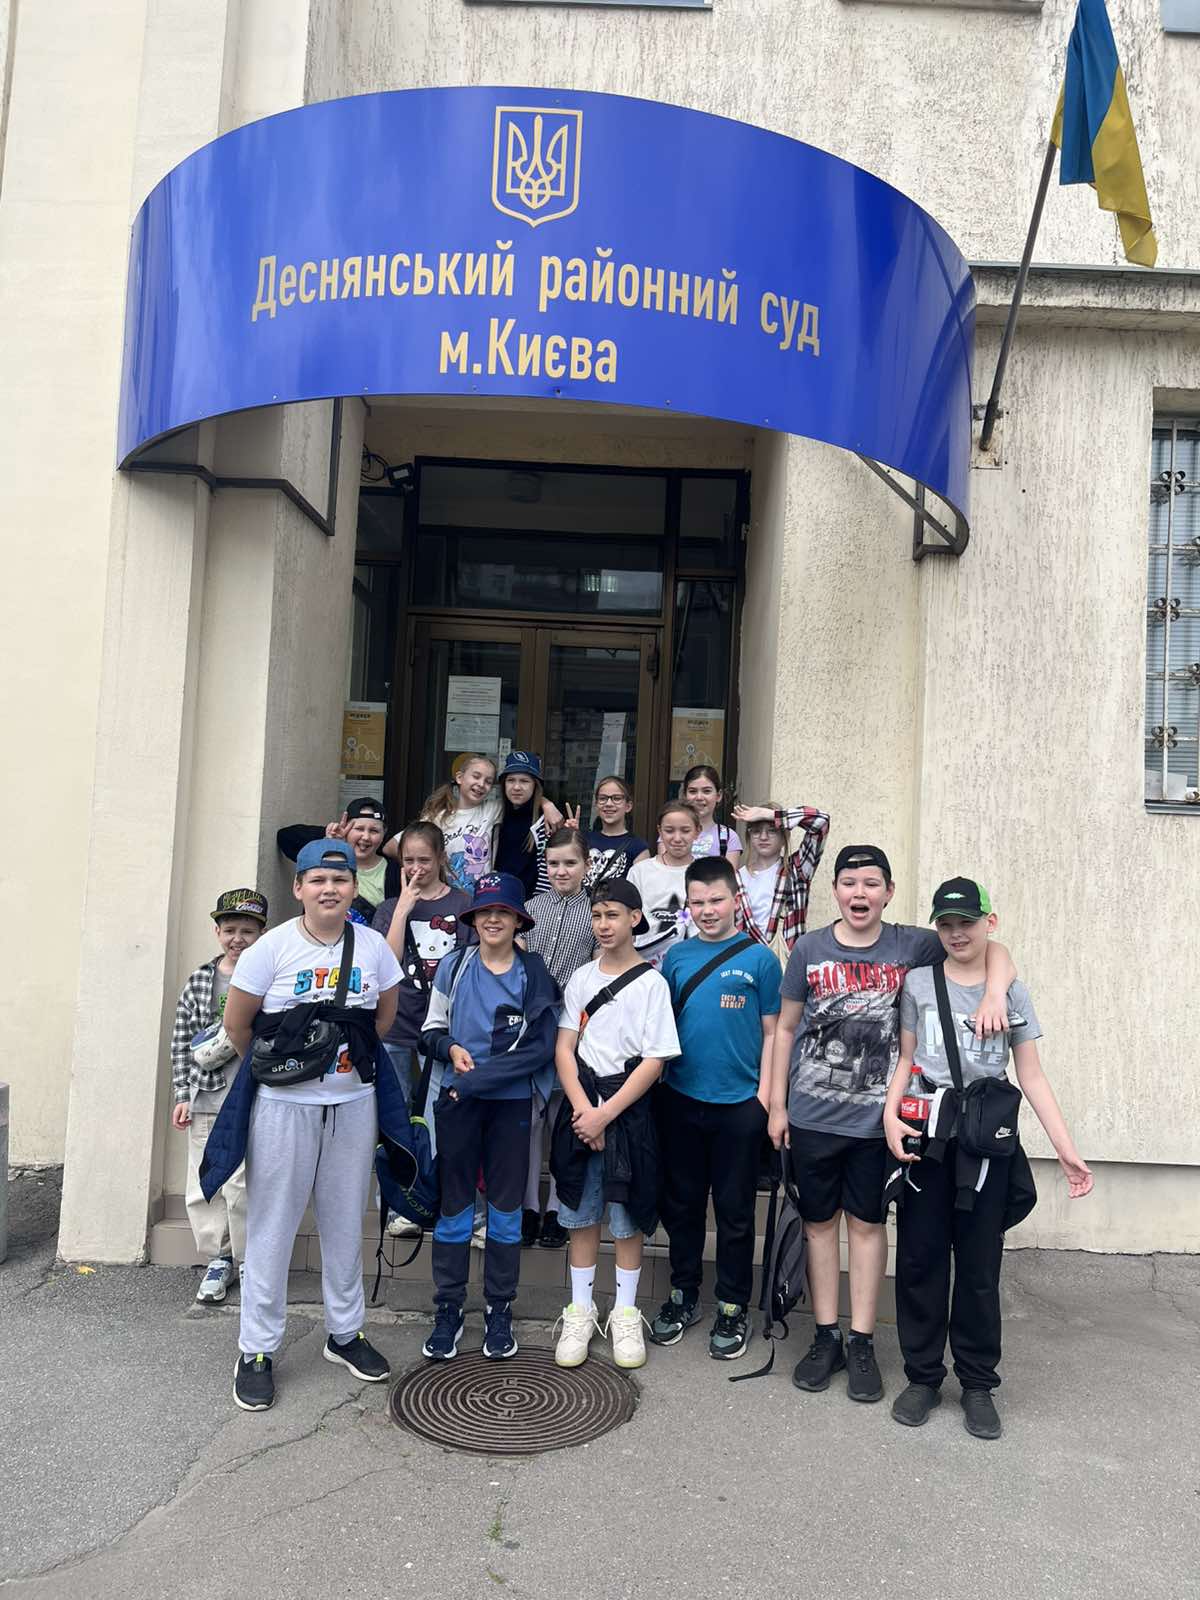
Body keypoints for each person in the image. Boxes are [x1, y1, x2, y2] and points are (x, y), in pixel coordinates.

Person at [768, 844, 1017, 1406]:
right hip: (812, 1116)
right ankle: (826, 1336)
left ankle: (861, 1341)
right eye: (849, 883)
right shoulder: (809, 948)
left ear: (889, 892)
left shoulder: (914, 944)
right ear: (835, 890)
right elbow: (784, 1029)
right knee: (818, 1226)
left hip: (879, 1124)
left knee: (867, 1226)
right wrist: (778, 1106)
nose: (860, 893)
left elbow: (989, 946)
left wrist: (996, 990)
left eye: (871, 883)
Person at [200, 839, 405, 1413]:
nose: (329, 889)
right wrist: (288, 1070)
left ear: (353, 887)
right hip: (283, 1108)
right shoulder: (271, 948)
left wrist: (339, 1068)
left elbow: (383, 1019)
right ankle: (256, 1348)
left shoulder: (372, 947)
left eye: (339, 880)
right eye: (317, 880)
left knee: (344, 1222)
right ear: (299, 888)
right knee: (272, 1226)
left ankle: (345, 1332)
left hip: (353, 1103)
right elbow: (239, 1026)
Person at [883, 877, 1093, 1439]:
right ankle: (923, 1377)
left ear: (988, 923)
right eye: (947, 924)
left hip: (985, 1144)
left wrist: (1067, 1151)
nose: (957, 934)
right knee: (921, 1262)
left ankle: (977, 1383)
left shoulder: (1011, 992)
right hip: (927, 1136)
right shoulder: (919, 983)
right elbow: (906, 1059)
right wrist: (889, 1116)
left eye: (968, 923)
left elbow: (1031, 1075)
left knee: (979, 1267)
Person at [420, 872, 560, 1362]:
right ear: (474, 918)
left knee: (504, 1211)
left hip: (509, 1105)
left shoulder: (533, 972)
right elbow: (430, 1031)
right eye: (485, 911)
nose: (493, 919)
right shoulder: (454, 966)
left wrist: (474, 1081)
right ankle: (448, 1307)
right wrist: (450, 1048)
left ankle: (500, 1308)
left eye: (503, 911)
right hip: (458, 1103)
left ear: (519, 920)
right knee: (454, 1209)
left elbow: (540, 1048)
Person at [650, 857, 782, 1360]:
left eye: (716, 900)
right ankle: (683, 1293)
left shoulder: (761, 959)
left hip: (740, 1106)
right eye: (698, 902)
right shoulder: (677, 957)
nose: (707, 910)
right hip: (681, 1100)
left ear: (734, 900)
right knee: (682, 1206)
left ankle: (732, 1304)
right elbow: (661, 1027)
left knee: (735, 1211)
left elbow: (774, 1033)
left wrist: (765, 1100)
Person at [551, 879, 680, 1371]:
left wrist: (606, 1114)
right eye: (597, 915)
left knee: (628, 1219)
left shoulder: (651, 984)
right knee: (582, 1216)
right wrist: (586, 1111)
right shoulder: (581, 978)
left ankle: (626, 1313)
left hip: (629, 1112)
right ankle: (580, 1310)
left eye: (613, 915)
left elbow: (654, 1060)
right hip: (581, 1108)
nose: (603, 925)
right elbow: (565, 1048)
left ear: (634, 918)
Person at [373, 821, 473, 1239]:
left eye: (424, 860)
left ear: (441, 859)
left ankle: (436, 1196)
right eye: (409, 861)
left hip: (443, 1029)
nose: (416, 868)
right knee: (394, 1114)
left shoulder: (463, 903)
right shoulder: (388, 908)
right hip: (397, 1025)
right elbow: (386, 964)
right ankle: (401, 1201)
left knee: (439, 1115)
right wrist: (402, 909)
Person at [169, 887, 268, 1305]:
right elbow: (181, 1040)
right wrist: (182, 1093)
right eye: (230, 930)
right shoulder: (200, 981)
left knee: (244, 1183)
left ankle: (248, 1259)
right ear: (217, 932)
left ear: (261, 934)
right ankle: (218, 1258)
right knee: (205, 1180)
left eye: (247, 931)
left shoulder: (269, 979)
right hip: (206, 1095)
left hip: (251, 1096)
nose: (237, 939)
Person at [520, 826, 596, 1248]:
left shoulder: (596, 912)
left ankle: (557, 1209)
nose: (561, 870)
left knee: (561, 1119)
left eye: (570, 863)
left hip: (574, 1026)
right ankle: (528, 1206)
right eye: (554, 863)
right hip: (532, 1024)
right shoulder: (530, 909)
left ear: (586, 865)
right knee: (531, 1118)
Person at [731, 800, 831, 956]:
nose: (763, 837)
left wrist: (772, 815)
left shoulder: (797, 869)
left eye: (772, 831)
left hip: (786, 960)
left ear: (784, 837)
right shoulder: (736, 878)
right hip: (747, 959)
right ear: (749, 836)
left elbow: (821, 821)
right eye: (756, 831)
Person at [277, 796, 397, 920]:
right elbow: (285, 837)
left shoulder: (395, 872)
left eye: (374, 831)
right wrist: (328, 840)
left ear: (384, 833)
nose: (366, 837)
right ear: (346, 828)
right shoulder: (323, 857)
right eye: (359, 829)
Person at [627, 800, 701, 966]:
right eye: (669, 830)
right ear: (659, 831)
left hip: (691, 963)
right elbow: (627, 921)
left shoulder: (705, 873)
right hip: (644, 963)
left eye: (685, 831)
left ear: (697, 831)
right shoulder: (640, 871)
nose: (677, 838)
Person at [493, 751, 563, 898]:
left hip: (532, 904)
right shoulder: (495, 815)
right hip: (498, 899)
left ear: (535, 785)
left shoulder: (545, 821)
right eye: (511, 780)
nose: (516, 787)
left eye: (524, 781)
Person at [583, 775, 650, 887]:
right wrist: (571, 836)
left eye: (617, 798)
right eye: (603, 798)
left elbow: (641, 889)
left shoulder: (638, 847)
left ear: (628, 806)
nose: (609, 804)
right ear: (596, 805)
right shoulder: (584, 839)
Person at [680, 765, 742, 868]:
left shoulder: (728, 837)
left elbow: (729, 877)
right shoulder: (671, 833)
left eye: (706, 791)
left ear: (718, 796)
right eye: (692, 791)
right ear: (684, 795)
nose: (699, 797)